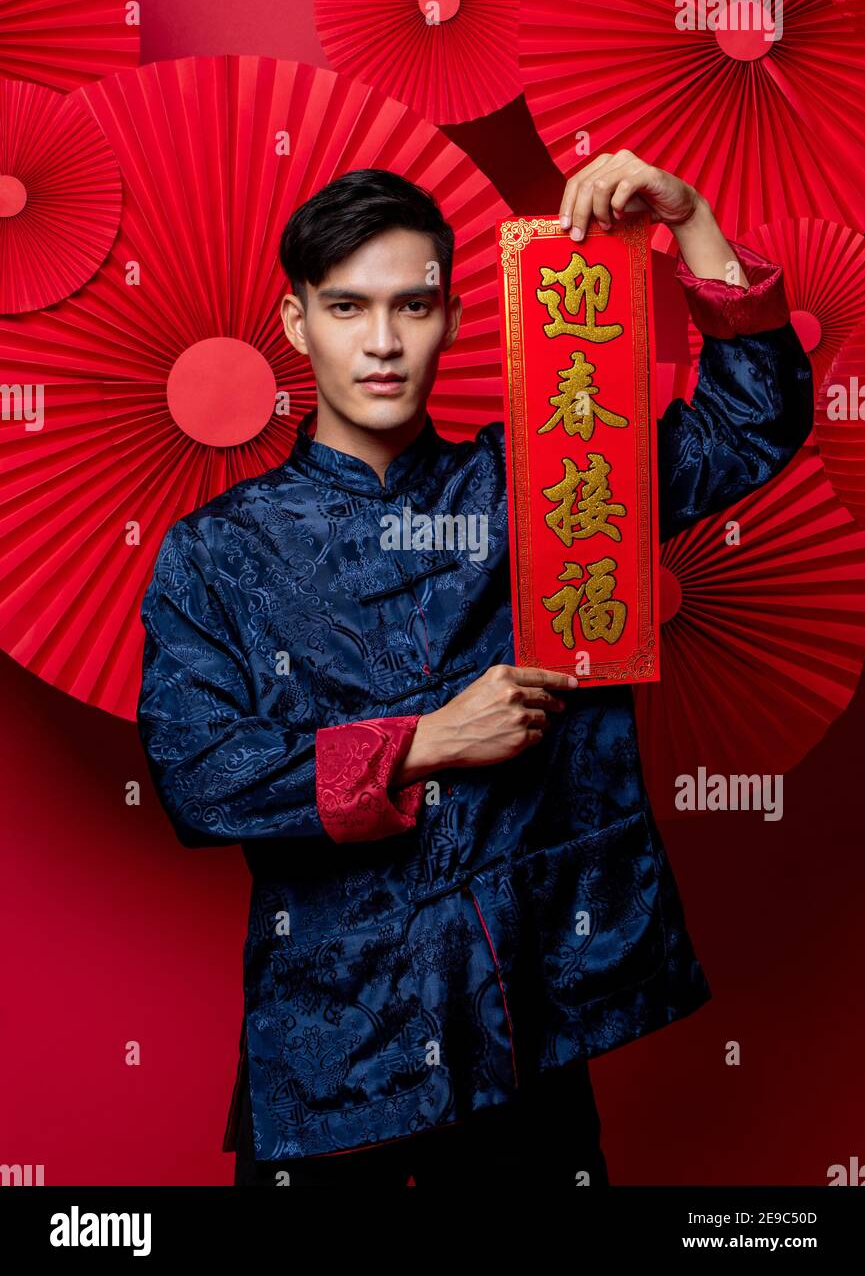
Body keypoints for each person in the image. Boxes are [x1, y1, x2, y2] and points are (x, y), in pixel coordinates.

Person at [136, 156, 813, 1187]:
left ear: (452, 315)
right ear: (295, 319)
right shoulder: (216, 551)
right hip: (331, 1051)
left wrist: (693, 224)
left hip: (526, 1023)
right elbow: (198, 774)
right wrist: (424, 742)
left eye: (411, 305)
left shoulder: (545, 482)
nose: (380, 342)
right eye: (347, 306)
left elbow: (747, 427)